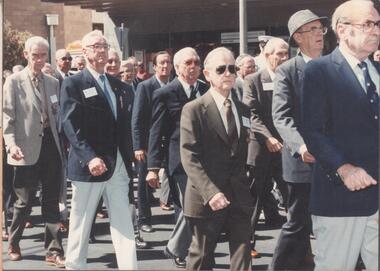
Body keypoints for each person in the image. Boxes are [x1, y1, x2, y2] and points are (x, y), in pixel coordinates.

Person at [301, 1, 379, 270]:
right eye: (368, 24)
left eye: (378, 24)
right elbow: (313, 131)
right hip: (341, 198)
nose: (376, 31)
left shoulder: (378, 72)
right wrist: (343, 169)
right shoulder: (319, 71)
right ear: (343, 30)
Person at [60, 30, 137, 270]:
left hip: (118, 167)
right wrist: (89, 157)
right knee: (81, 224)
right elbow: (70, 125)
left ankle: (129, 266)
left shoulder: (119, 85)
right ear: (84, 52)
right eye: (95, 46)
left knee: (124, 223)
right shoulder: (74, 83)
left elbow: (125, 126)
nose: (101, 50)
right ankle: (75, 265)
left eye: (104, 45)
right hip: (89, 167)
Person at [180, 47, 253, 270]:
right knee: (202, 256)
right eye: (221, 69)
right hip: (206, 198)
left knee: (243, 254)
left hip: (238, 195)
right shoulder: (194, 109)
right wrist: (211, 192)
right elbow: (189, 156)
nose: (228, 73)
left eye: (232, 68)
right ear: (207, 74)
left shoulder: (243, 109)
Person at [270, 9, 328, 270]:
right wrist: (300, 146)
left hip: (336, 161)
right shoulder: (287, 71)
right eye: (313, 30)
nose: (319, 35)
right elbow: (281, 117)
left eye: (321, 29)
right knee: (298, 224)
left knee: (337, 220)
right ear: (298, 38)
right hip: (302, 163)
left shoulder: (335, 65)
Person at [3, 36, 65, 268]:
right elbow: (7, 117)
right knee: (24, 202)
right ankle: (14, 242)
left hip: (51, 146)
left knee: (51, 201)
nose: (39, 60)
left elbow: (57, 113)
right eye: (35, 55)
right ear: (26, 55)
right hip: (24, 150)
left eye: (43, 56)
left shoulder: (53, 82)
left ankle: (54, 251)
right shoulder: (14, 82)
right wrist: (11, 144)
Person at [146, 47, 208, 268]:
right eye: (188, 63)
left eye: (197, 63)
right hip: (179, 161)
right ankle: (178, 249)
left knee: (197, 207)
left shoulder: (206, 89)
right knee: (187, 207)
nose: (193, 67)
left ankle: (180, 248)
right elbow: (156, 131)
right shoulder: (165, 93)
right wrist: (152, 167)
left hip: (204, 160)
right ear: (178, 67)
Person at [242, 37, 289, 259]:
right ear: (267, 55)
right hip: (261, 149)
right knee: (254, 199)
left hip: (287, 150)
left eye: (286, 54)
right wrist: (268, 138)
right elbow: (252, 114)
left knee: (294, 198)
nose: (283, 58)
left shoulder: (291, 78)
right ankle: (246, 244)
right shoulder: (253, 80)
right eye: (279, 54)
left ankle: (301, 249)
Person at [132, 51, 174, 235]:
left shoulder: (175, 86)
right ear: (154, 67)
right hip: (149, 144)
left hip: (171, 142)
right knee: (144, 182)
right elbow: (137, 118)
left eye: (168, 63)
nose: (165, 66)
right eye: (161, 63)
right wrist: (138, 146)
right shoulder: (145, 86)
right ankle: (144, 219)